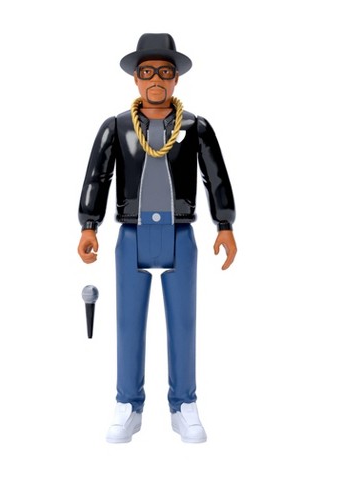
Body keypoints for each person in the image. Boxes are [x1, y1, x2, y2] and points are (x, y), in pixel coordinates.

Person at [78, 33, 237, 443]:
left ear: (176, 79)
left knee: (183, 322)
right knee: (128, 322)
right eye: (147, 72)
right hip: (131, 235)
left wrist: (224, 225)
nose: (155, 80)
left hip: (179, 234)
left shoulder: (194, 127)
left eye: (164, 73)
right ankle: (128, 403)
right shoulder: (116, 127)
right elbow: (98, 176)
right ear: (135, 78)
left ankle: (184, 403)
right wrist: (89, 225)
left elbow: (216, 176)